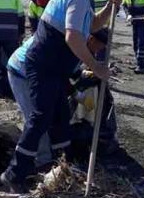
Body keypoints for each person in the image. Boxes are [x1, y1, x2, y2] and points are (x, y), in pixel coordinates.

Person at [0, 0, 122, 192]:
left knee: (60, 117)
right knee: (40, 117)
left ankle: (63, 165)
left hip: (55, 69)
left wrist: (109, 6)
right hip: (42, 64)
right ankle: (14, 173)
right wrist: (95, 66)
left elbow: (92, 26)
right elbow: (73, 37)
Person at [7, 28, 114, 167]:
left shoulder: (80, 42)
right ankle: (42, 162)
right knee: (38, 118)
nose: (98, 52)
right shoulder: (73, 42)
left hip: (43, 72)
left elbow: (69, 71)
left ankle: (58, 156)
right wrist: (79, 96)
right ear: (91, 39)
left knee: (57, 116)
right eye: (99, 47)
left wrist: (84, 75)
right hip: (21, 71)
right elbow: (61, 79)